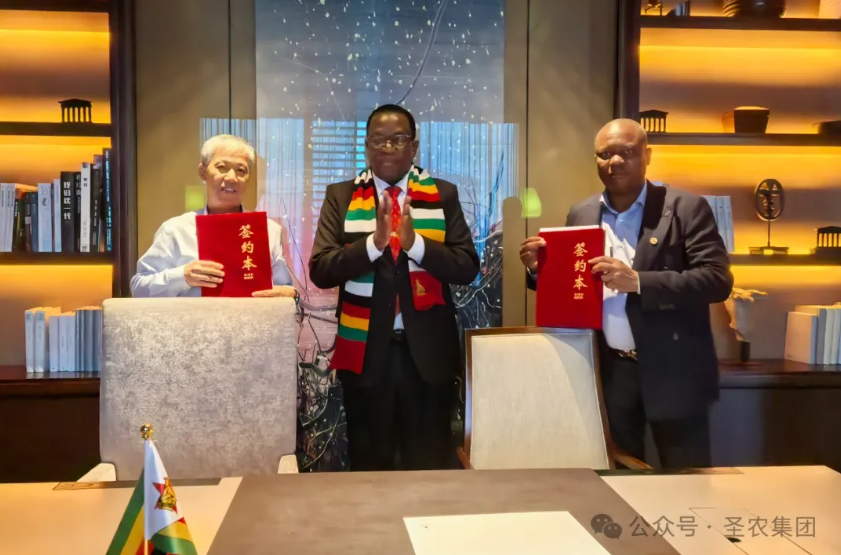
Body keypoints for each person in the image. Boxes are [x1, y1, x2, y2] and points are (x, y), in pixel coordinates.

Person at [519, 119, 733, 468]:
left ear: (647, 155)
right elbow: (574, 287)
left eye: (627, 152)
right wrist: (537, 269)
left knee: (687, 480)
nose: (614, 161)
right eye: (605, 154)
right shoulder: (582, 212)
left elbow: (716, 279)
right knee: (620, 477)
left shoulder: (685, 208)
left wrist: (639, 281)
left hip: (674, 369)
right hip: (612, 371)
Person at [310, 105, 479, 471]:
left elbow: (467, 267)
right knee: (371, 467)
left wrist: (416, 244)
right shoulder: (341, 196)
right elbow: (321, 270)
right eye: (378, 140)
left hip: (428, 357)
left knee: (428, 466)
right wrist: (373, 244)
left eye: (398, 139)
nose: (387, 147)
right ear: (366, 147)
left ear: (413, 147)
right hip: (366, 357)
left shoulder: (443, 194)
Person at [131, 134, 296, 298]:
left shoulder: (269, 230)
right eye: (222, 167)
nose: (232, 177)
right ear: (202, 172)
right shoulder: (175, 230)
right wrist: (183, 276)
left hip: (252, 316)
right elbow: (139, 288)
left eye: (241, 170)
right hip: (193, 316)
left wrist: (290, 294)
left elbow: (284, 288)